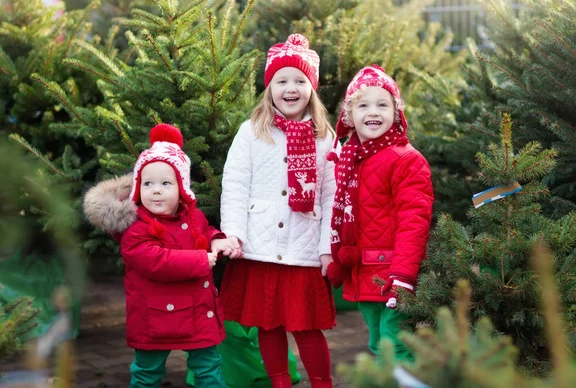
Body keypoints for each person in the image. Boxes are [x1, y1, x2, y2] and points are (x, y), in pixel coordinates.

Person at [219, 34, 336, 388]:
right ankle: (280, 383)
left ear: (311, 89)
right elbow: (236, 185)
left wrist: (327, 248)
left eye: (300, 81)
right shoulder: (251, 132)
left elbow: (332, 195)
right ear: (269, 87)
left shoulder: (325, 136)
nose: (291, 88)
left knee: (306, 326)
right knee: (268, 324)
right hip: (261, 247)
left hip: (304, 248)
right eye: (282, 80)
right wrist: (233, 233)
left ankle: (322, 383)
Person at [100, 124, 236, 387]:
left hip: (196, 310)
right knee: (147, 372)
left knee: (208, 368)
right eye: (148, 183)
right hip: (155, 318)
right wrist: (201, 260)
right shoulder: (136, 227)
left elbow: (204, 230)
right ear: (138, 188)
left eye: (166, 183)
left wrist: (217, 240)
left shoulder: (192, 215)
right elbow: (155, 260)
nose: (156, 190)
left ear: (182, 187)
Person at [326, 65, 434, 360]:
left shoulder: (406, 160)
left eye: (382, 104)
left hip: (394, 274)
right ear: (349, 116)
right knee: (376, 343)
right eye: (363, 105)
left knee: (395, 344)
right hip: (364, 272)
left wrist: (403, 275)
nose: (373, 112)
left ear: (397, 114)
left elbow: (415, 221)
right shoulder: (350, 158)